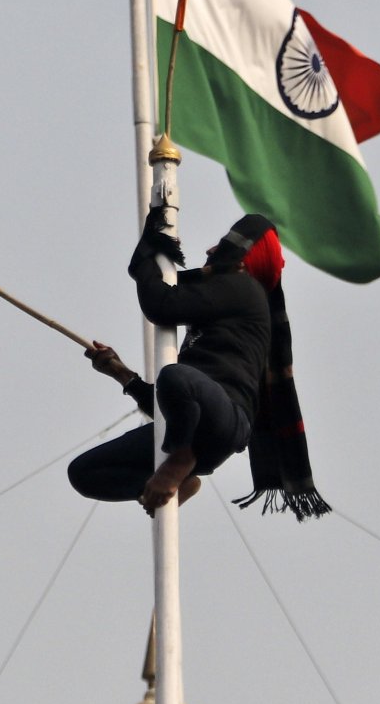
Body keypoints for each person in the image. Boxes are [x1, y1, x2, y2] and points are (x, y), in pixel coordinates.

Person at [71, 210, 276, 514]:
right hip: (192, 424)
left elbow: (161, 305)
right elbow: (171, 407)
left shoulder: (244, 288)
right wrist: (121, 373)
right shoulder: (224, 303)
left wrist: (146, 258)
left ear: (242, 261)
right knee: (85, 473)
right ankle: (169, 483)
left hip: (224, 420)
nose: (209, 251)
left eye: (221, 246)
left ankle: (178, 462)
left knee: (176, 375)